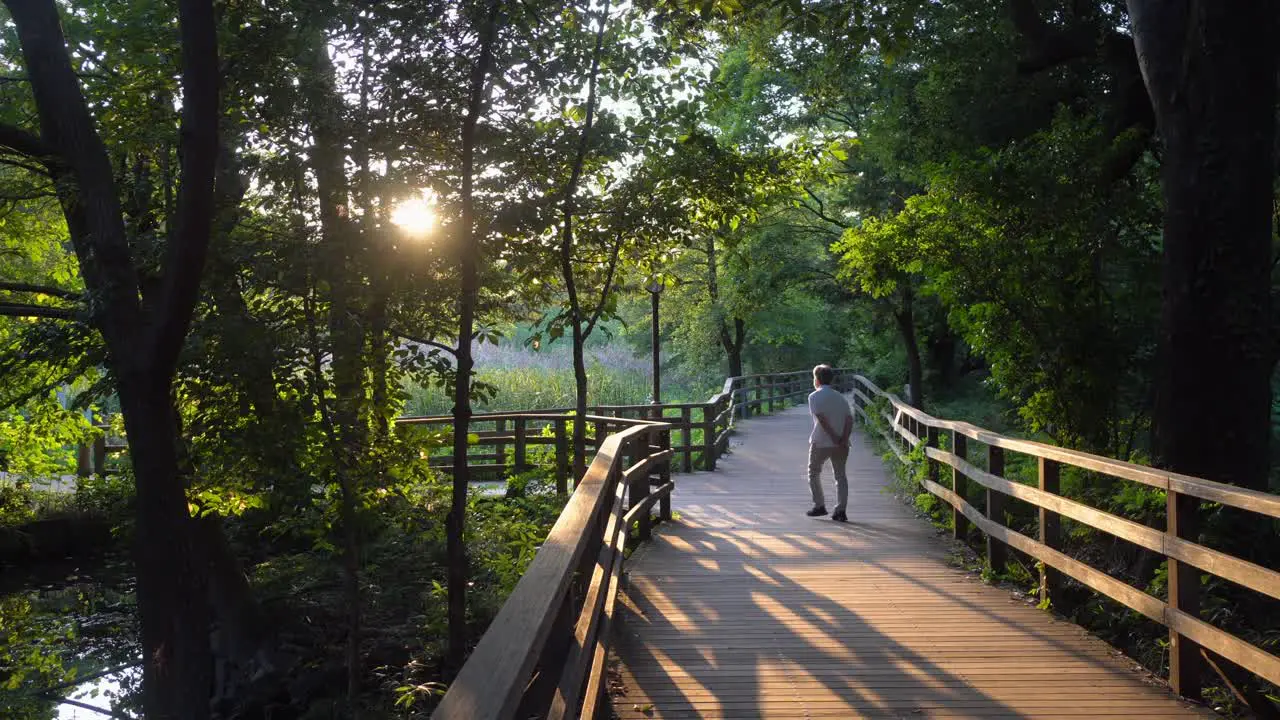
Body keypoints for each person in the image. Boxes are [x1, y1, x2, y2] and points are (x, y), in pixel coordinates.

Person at [806, 364, 853, 522]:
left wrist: (833, 437)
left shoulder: (814, 397)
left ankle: (819, 505)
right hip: (842, 444)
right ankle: (841, 510)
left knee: (813, 472)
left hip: (821, 442)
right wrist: (843, 439)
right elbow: (849, 419)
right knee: (841, 476)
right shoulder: (840, 397)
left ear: (817, 379)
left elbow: (821, 419)